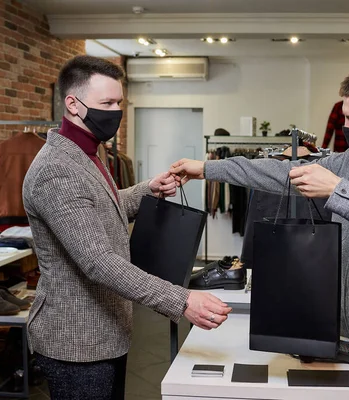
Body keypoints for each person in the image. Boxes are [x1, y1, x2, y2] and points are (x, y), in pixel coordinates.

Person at [171, 64, 349, 399]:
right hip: (347, 341)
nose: (345, 129)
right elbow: (280, 172)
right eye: (344, 118)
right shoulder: (348, 164)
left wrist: (337, 191)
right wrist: (206, 168)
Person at [22, 55, 231, 400]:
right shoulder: (56, 169)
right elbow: (98, 261)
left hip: (107, 330)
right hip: (78, 341)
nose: (116, 111)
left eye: (119, 101)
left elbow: (98, 205)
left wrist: (145, 190)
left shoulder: (90, 151)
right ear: (73, 104)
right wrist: (180, 301)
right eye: (107, 103)